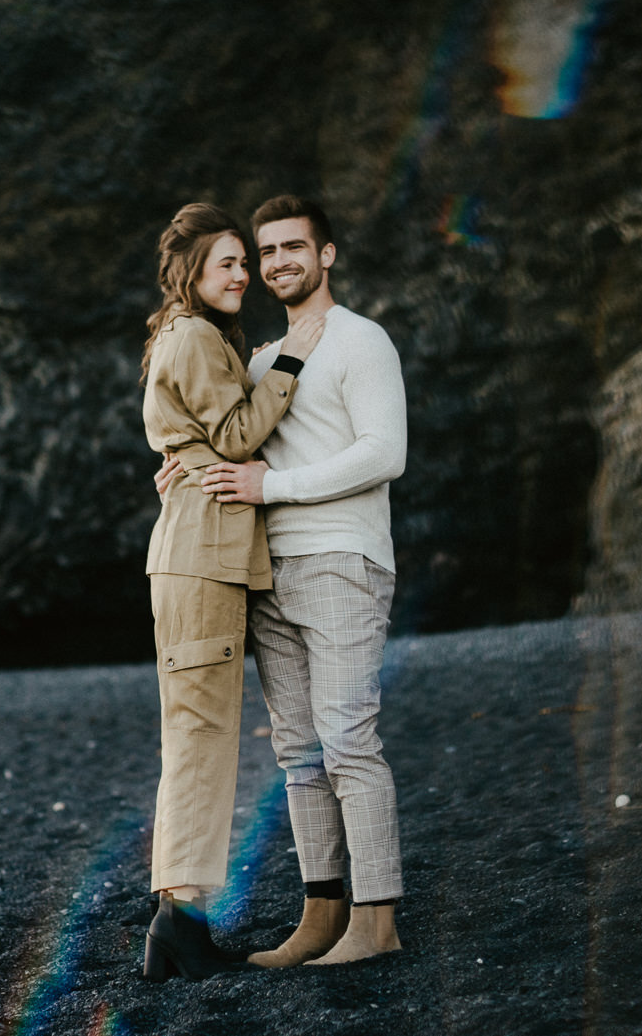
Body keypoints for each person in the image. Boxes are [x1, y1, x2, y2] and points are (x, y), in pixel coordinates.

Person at [160, 194, 408, 967]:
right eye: (265, 253)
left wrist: (274, 487)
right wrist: (183, 471)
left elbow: (383, 453)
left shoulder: (363, 341)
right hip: (267, 571)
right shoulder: (264, 359)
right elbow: (223, 442)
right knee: (299, 753)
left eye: (294, 247)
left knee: (348, 742)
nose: (278, 263)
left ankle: (376, 920)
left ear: (326, 254)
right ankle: (320, 913)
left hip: (342, 559)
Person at [138, 202, 325, 982]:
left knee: (199, 734)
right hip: (200, 564)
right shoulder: (192, 337)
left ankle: (179, 921)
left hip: (198, 557)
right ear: (192, 271)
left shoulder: (189, 339)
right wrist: (292, 362)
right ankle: (178, 921)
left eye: (246, 264)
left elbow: (198, 439)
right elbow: (239, 436)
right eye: (229, 263)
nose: (244, 276)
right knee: (200, 739)